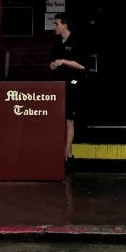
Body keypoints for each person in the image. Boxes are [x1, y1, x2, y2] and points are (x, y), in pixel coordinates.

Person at [49, 13, 85, 162]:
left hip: (73, 85)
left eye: (56, 24)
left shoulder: (77, 41)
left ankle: (65, 156)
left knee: (69, 120)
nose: (54, 27)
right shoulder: (57, 43)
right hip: (59, 85)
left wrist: (63, 61)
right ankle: (69, 155)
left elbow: (82, 66)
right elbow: (52, 63)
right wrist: (53, 65)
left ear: (65, 25)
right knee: (60, 119)